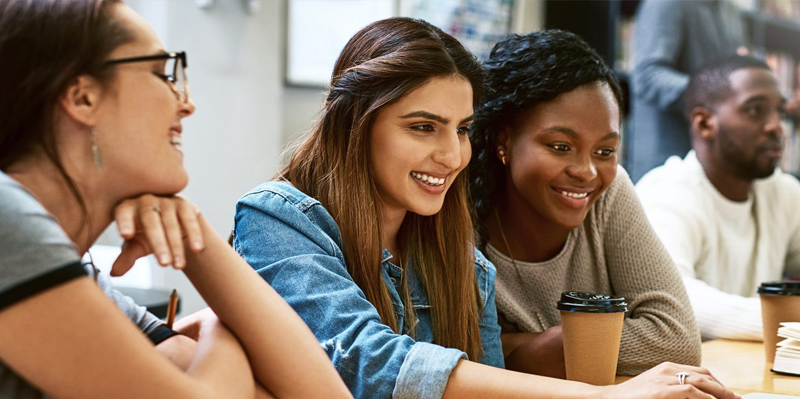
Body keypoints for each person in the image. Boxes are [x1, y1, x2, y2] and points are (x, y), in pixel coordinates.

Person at [233, 17, 739, 399]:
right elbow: (368, 364)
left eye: (461, 129)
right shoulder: (276, 219)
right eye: (423, 127)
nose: (452, 155)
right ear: (354, 124)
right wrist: (605, 396)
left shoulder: (457, 254)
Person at [0, 1, 352, 398]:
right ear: (82, 98)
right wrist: (219, 325)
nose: (185, 104)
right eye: (160, 73)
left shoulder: (86, 283)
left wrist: (194, 237)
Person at [467, 29, 701, 379]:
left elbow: (677, 340)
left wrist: (530, 346)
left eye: (605, 151)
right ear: (504, 140)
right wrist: (584, 342)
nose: (587, 172)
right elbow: (453, 355)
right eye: (561, 146)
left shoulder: (610, 192)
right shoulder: (457, 210)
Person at [636, 55, 800, 341]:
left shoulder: (782, 192)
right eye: (755, 110)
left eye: (780, 113)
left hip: (747, 370)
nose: (776, 127)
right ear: (704, 123)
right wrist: (786, 319)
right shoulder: (665, 193)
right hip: (681, 376)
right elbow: (676, 299)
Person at [627, 0, 747, 182]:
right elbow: (647, 76)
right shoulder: (665, 4)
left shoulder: (733, 13)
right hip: (667, 165)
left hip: (715, 168)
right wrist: (716, 94)